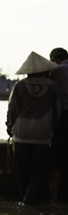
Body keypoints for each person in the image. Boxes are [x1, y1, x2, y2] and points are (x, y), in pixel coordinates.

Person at [6, 52, 61, 204]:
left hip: (21, 133)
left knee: (21, 169)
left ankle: (26, 200)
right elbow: (57, 111)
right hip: (42, 133)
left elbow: (12, 109)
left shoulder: (19, 86)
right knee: (40, 168)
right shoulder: (53, 88)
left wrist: (10, 126)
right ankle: (29, 198)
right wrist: (53, 128)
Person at [48, 48, 68, 203]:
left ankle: (53, 199)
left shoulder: (57, 71)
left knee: (55, 160)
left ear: (55, 60)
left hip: (65, 116)